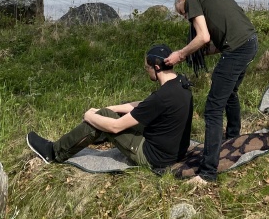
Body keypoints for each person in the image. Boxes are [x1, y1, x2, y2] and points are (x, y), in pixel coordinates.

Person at [26, 44, 193, 171]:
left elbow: (116, 127)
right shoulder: (179, 83)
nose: (146, 71)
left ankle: (54, 153)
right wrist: (112, 108)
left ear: (156, 68)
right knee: (113, 112)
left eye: (147, 68)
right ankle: (95, 132)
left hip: (154, 157)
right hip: (173, 150)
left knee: (104, 119)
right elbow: (143, 105)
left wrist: (90, 116)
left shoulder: (161, 97)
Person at [166, 0, 258, 185]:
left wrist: (180, 54)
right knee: (230, 92)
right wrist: (197, 52)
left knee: (213, 109)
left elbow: (203, 37)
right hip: (251, 42)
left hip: (239, 49)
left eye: (183, 12)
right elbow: (219, 40)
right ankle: (233, 136)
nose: (186, 17)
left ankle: (207, 173)